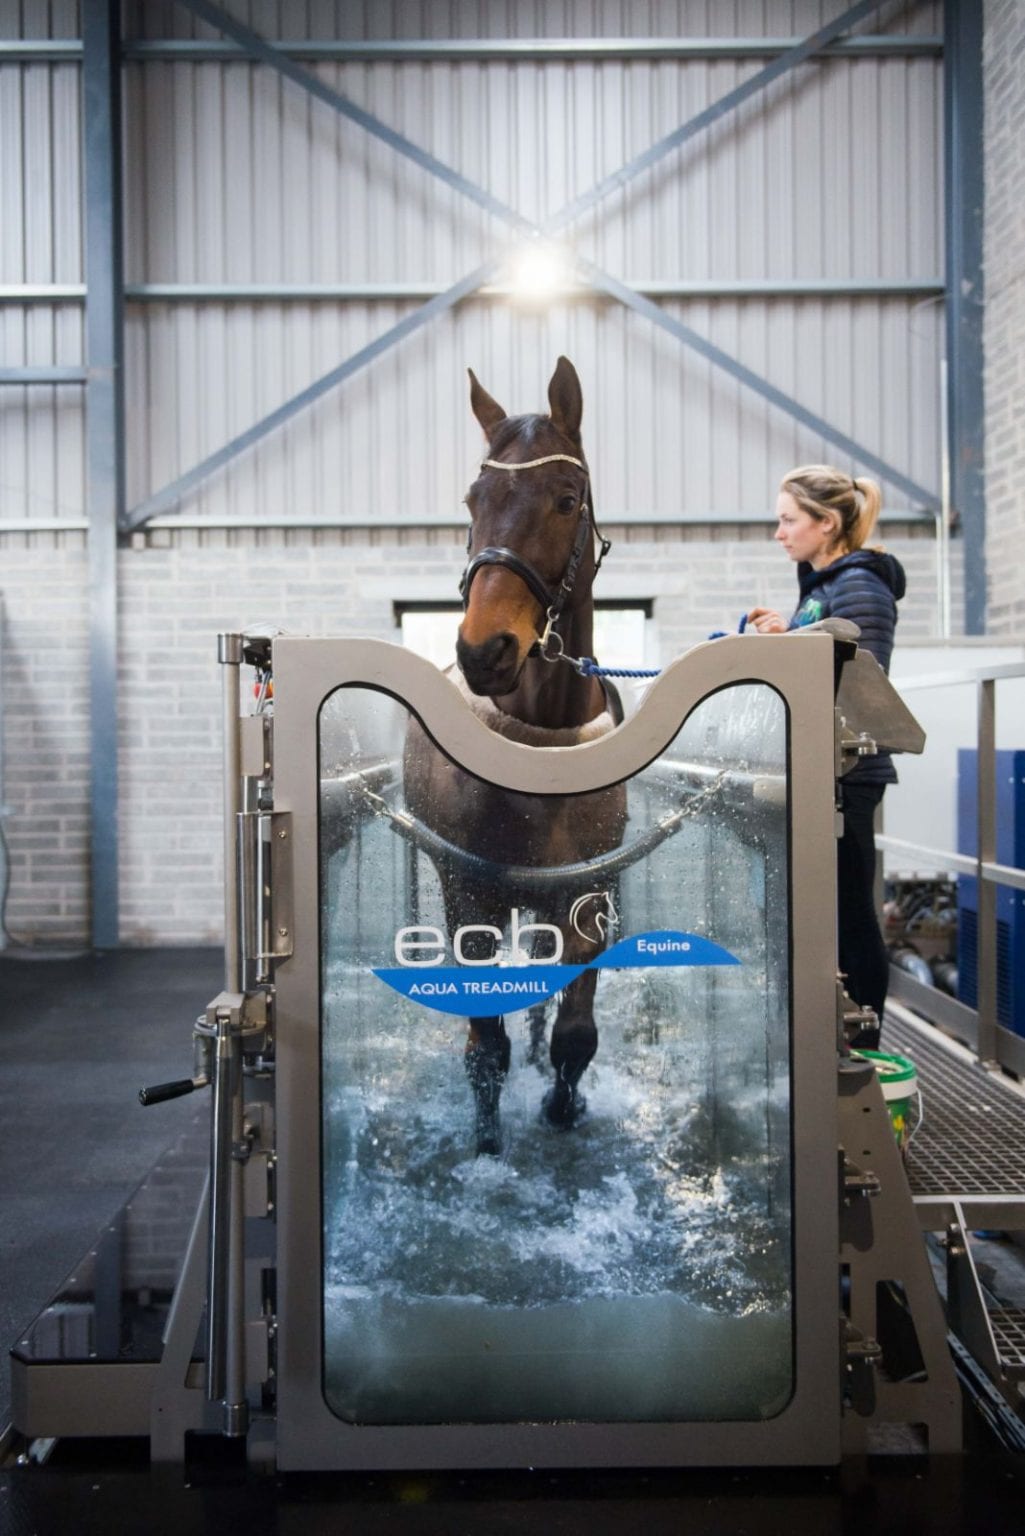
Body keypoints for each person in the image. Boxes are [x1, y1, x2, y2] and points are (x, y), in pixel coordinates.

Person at [746, 465, 906, 1046]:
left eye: (788, 520)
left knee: (851, 918)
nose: (779, 533)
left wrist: (791, 645)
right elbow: (820, 660)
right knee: (824, 917)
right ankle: (822, 1040)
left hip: (847, 772)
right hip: (819, 772)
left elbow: (857, 685)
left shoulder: (860, 585)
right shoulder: (821, 588)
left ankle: (861, 1048)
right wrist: (783, 639)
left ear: (827, 523)